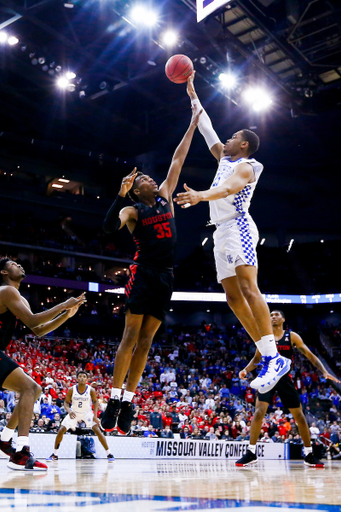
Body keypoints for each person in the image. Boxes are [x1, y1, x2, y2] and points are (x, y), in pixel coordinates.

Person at [175, 72, 290, 393]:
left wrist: (199, 195)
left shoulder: (249, 166)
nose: (224, 139)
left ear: (244, 144)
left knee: (249, 287)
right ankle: (271, 357)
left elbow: (229, 188)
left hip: (239, 226)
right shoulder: (225, 158)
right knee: (231, 295)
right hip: (220, 232)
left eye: (232, 137)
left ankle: (274, 357)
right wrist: (193, 95)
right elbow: (205, 126)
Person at [100, 104, 202, 434]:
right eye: (143, 178)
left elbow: (177, 159)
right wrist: (119, 195)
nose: (150, 178)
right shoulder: (131, 209)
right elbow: (106, 228)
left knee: (146, 342)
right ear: (136, 189)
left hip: (166, 276)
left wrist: (192, 125)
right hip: (142, 272)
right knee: (130, 336)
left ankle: (129, 401)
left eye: (148, 176)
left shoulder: (166, 197)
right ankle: (114, 398)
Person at [0, 257, 86, 471]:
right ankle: (20, 452)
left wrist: (66, 315)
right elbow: (34, 321)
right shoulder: (6, 291)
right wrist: (64, 304)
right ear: (3, 272)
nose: (18, 265)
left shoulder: (18, 297)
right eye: (12, 264)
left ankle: (5, 439)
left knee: (33, 389)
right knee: (30, 387)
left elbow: (38, 330)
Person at [235, 310, 339, 467]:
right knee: (258, 413)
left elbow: (309, 355)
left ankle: (309, 454)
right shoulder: (265, 338)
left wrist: (323, 371)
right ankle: (251, 452)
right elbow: (256, 359)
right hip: (268, 378)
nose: (273, 317)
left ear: (283, 319)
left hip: (285, 379)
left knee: (300, 417)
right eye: (270, 315)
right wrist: (245, 370)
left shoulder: (291, 336)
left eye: (276, 314)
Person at [47, 371, 114, 462]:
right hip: (74, 412)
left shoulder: (91, 390)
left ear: (86, 379)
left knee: (97, 431)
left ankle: (109, 454)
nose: (82, 378)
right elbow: (66, 402)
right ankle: (55, 454)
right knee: (61, 430)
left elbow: (95, 402)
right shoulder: (71, 389)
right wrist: (69, 411)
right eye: (80, 376)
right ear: (77, 379)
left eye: (84, 376)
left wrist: (95, 415)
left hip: (87, 413)